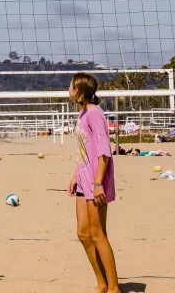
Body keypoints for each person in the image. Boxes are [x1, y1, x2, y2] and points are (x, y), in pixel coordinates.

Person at [66, 72, 120, 293]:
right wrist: (74, 176)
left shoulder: (95, 114)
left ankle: (114, 287)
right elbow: (85, 151)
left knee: (98, 234)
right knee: (83, 233)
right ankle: (102, 282)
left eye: (70, 85)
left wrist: (98, 183)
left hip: (96, 180)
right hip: (84, 179)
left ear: (77, 90)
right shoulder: (82, 114)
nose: (67, 88)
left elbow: (104, 153)